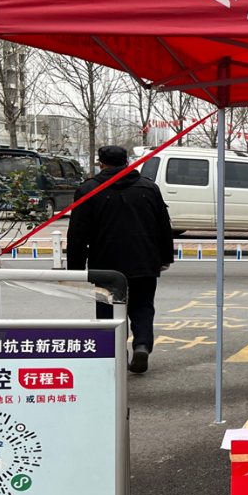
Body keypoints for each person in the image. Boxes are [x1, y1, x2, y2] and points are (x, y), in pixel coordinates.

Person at [67, 145, 173, 374]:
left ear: (100, 164)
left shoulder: (88, 190)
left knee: (108, 309)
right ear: (127, 163)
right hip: (144, 259)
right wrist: (165, 257)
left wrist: (75, 267)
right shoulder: (148, 187)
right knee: (142, 306)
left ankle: (115, 355)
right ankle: (142, 345)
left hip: (105, 263)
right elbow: (163, 225)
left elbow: (77, 233)